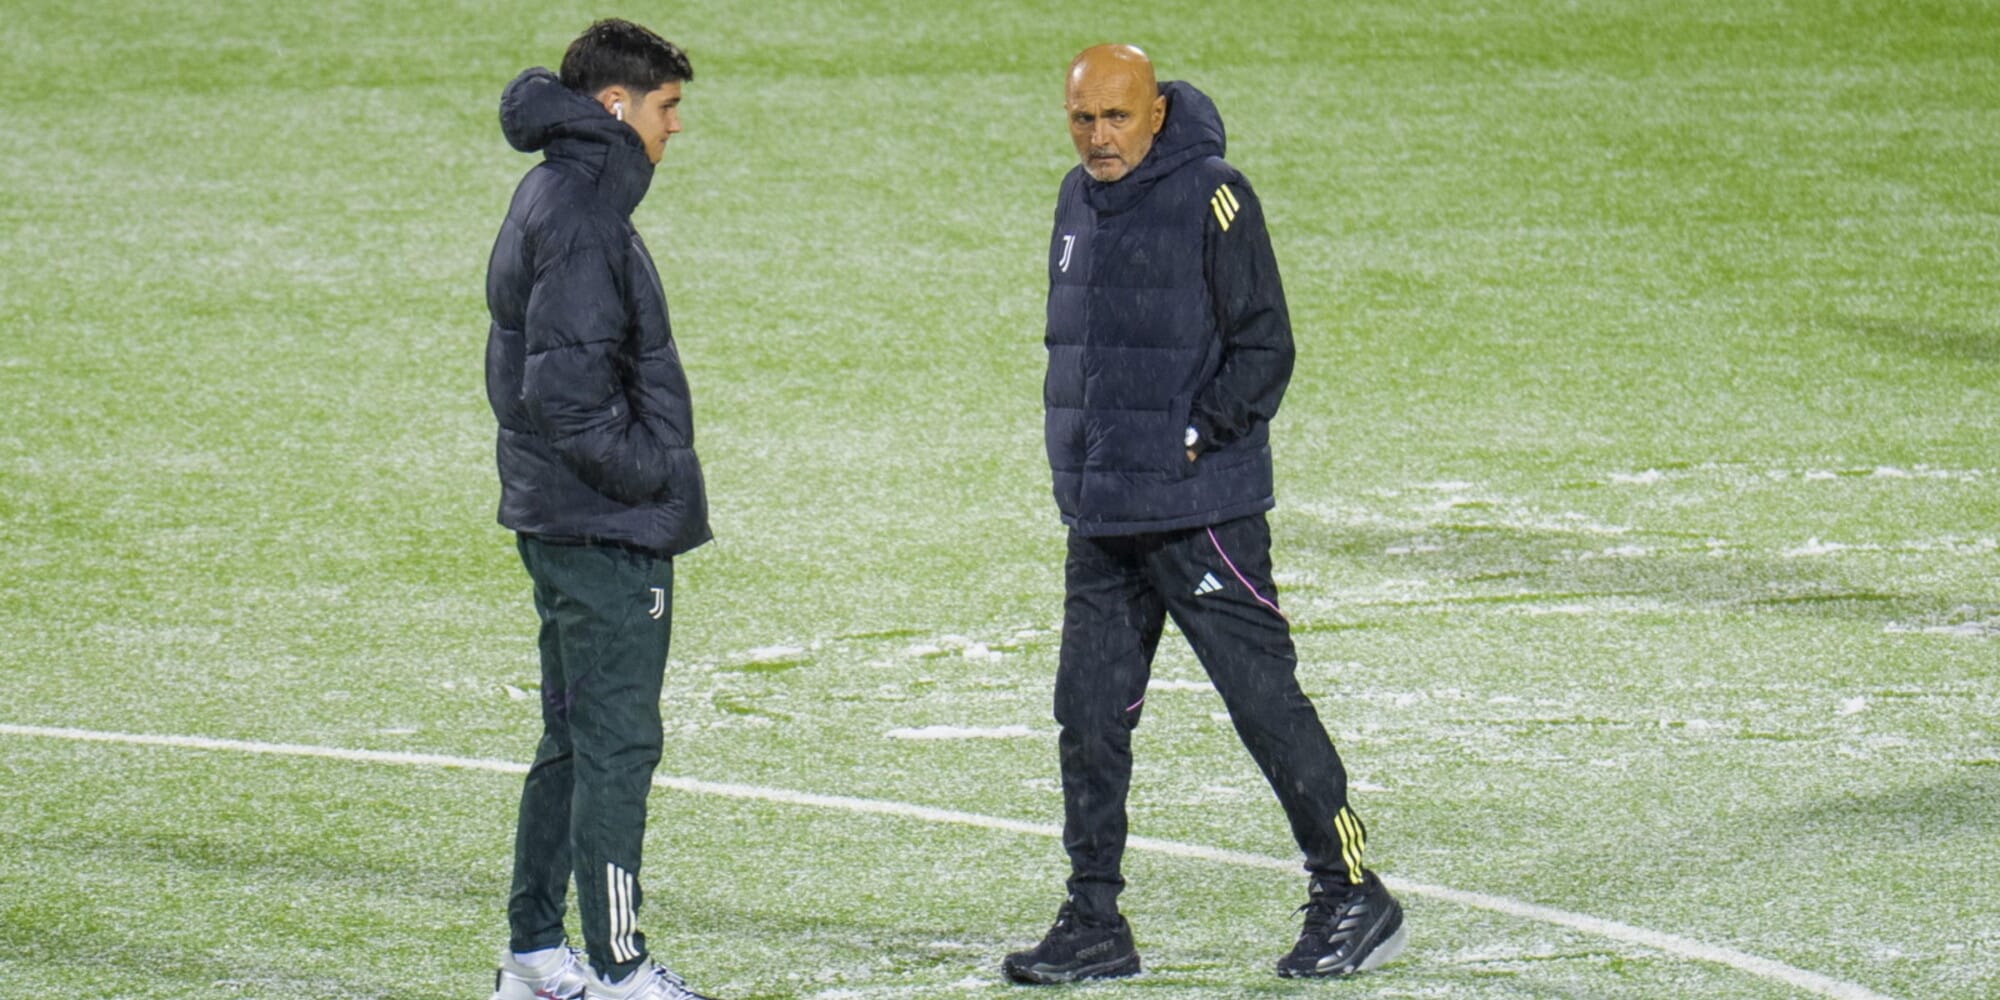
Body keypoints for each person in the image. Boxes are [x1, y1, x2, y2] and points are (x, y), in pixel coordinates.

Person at [1002, 44, 1408, 984]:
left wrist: (1192, 438)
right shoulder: (1074, 199)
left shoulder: (1216, 195)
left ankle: (1352, 889)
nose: (1098, 137)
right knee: (1087, 718)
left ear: (1156, 112)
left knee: (1263, 704)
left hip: (1202, 513)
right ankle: (1094, 919)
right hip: (1103, 513)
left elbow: (1266, 346)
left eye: (1116, 117)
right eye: (1082, 119)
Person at [482, 19, 717, 1000]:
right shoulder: (582, 211)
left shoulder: (556, 189)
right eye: (666, 107)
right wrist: (652, 471)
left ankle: (536, 955)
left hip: (561, 514)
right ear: (614, 106)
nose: (674, 128)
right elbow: (565, 394)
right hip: (601, 524)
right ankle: (618, 969)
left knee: (574, 740)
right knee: (616, 745)